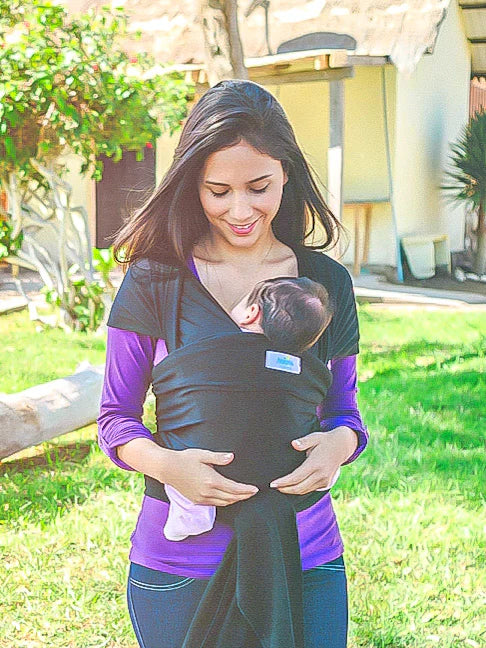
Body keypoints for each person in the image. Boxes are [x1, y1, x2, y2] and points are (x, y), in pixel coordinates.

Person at [98, 79, 368, 648]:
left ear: (286, 174)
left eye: (259, 187)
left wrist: (338, 448)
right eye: (217, 191)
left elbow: (345, 412)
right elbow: (116, 419)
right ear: (191, 184)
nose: (240, 211)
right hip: (180, 565)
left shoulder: (324, 285)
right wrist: (169, 467)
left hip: (305, 555)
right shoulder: (156, 280)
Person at [163, 275, 338, 543]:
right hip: (284, 465)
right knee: (318, 452)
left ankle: (192, 511)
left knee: (183, 448)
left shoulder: (217, 349)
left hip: (218, 459)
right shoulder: (306, 366)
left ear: (251, 313)